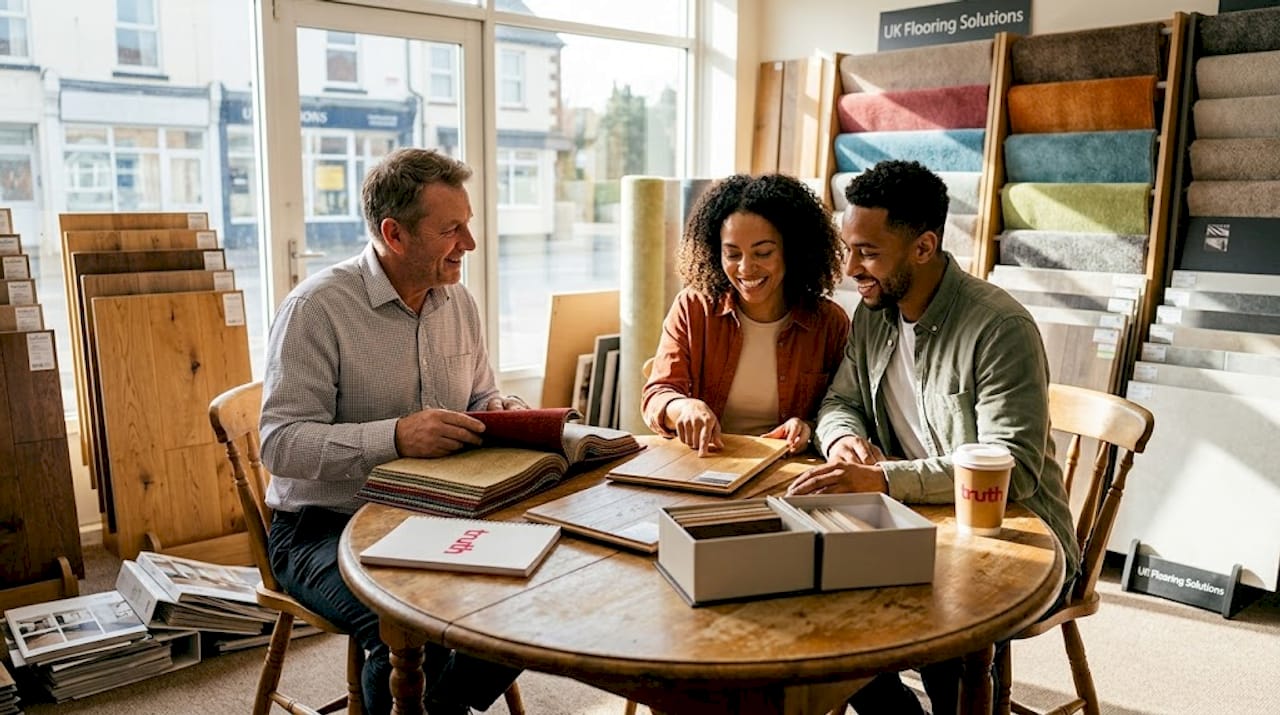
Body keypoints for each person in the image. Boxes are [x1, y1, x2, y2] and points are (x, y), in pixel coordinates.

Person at [787, 160, 1080, 715]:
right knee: (806, 598)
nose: (851, 268)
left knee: (940, 628)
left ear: (923, 247)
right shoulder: (875, 311)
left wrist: (882, 477)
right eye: (849, 248)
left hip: (1012, 536)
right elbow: (840, 402)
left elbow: (1009, 467)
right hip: (918, 519)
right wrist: (843, 439)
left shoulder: (999, 328)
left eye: (868, 252)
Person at [260, 148, 524, 715]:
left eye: (468, 224)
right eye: (452, 229)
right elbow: (278, 444)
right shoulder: (316, 309)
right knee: (405, 632)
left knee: (536, 586)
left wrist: (501, 410)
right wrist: (396, 438)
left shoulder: (458, 301)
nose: (470, 244)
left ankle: (436, 708)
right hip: (320, 528)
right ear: (394, 235)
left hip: (436, 512)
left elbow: (480, 397)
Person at [642, 173, 850, 456]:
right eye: (732, 254)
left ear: (793, 251)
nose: (745, 268)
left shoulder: (828, 322)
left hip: (788, 467)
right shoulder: (693, 308)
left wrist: (809, 428)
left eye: (763, 253)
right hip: (708, 461)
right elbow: (658, 393)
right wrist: (682, 408)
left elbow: (845, 408)